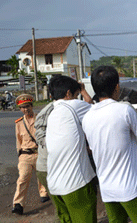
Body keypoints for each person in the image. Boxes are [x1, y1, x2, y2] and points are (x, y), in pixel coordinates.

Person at [82, 65, 137, 223]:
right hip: (131, 187)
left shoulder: (87, 117)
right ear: (116, 87)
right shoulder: (124, 110)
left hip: (107, 189)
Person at [46, 75, 97, 223]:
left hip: (55, 186)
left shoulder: (53, 112)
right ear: (68, 94)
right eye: (75, 95)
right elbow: (96, 108)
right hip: (75, 185)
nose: (77, 98)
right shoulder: (72, 106)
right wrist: (83, 91)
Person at [12, 94, 49, 215]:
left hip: (39, 152)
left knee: (42, 175)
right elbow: (19, 141)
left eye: (27, 106)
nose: (25, 109)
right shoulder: (18, 123)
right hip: (25, 155)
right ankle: (18, 204)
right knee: (23, 178)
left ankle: (43, 194)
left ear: (31, 106)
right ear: (20, 109)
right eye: (22, 107)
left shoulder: (40, 119)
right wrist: (20, 156)